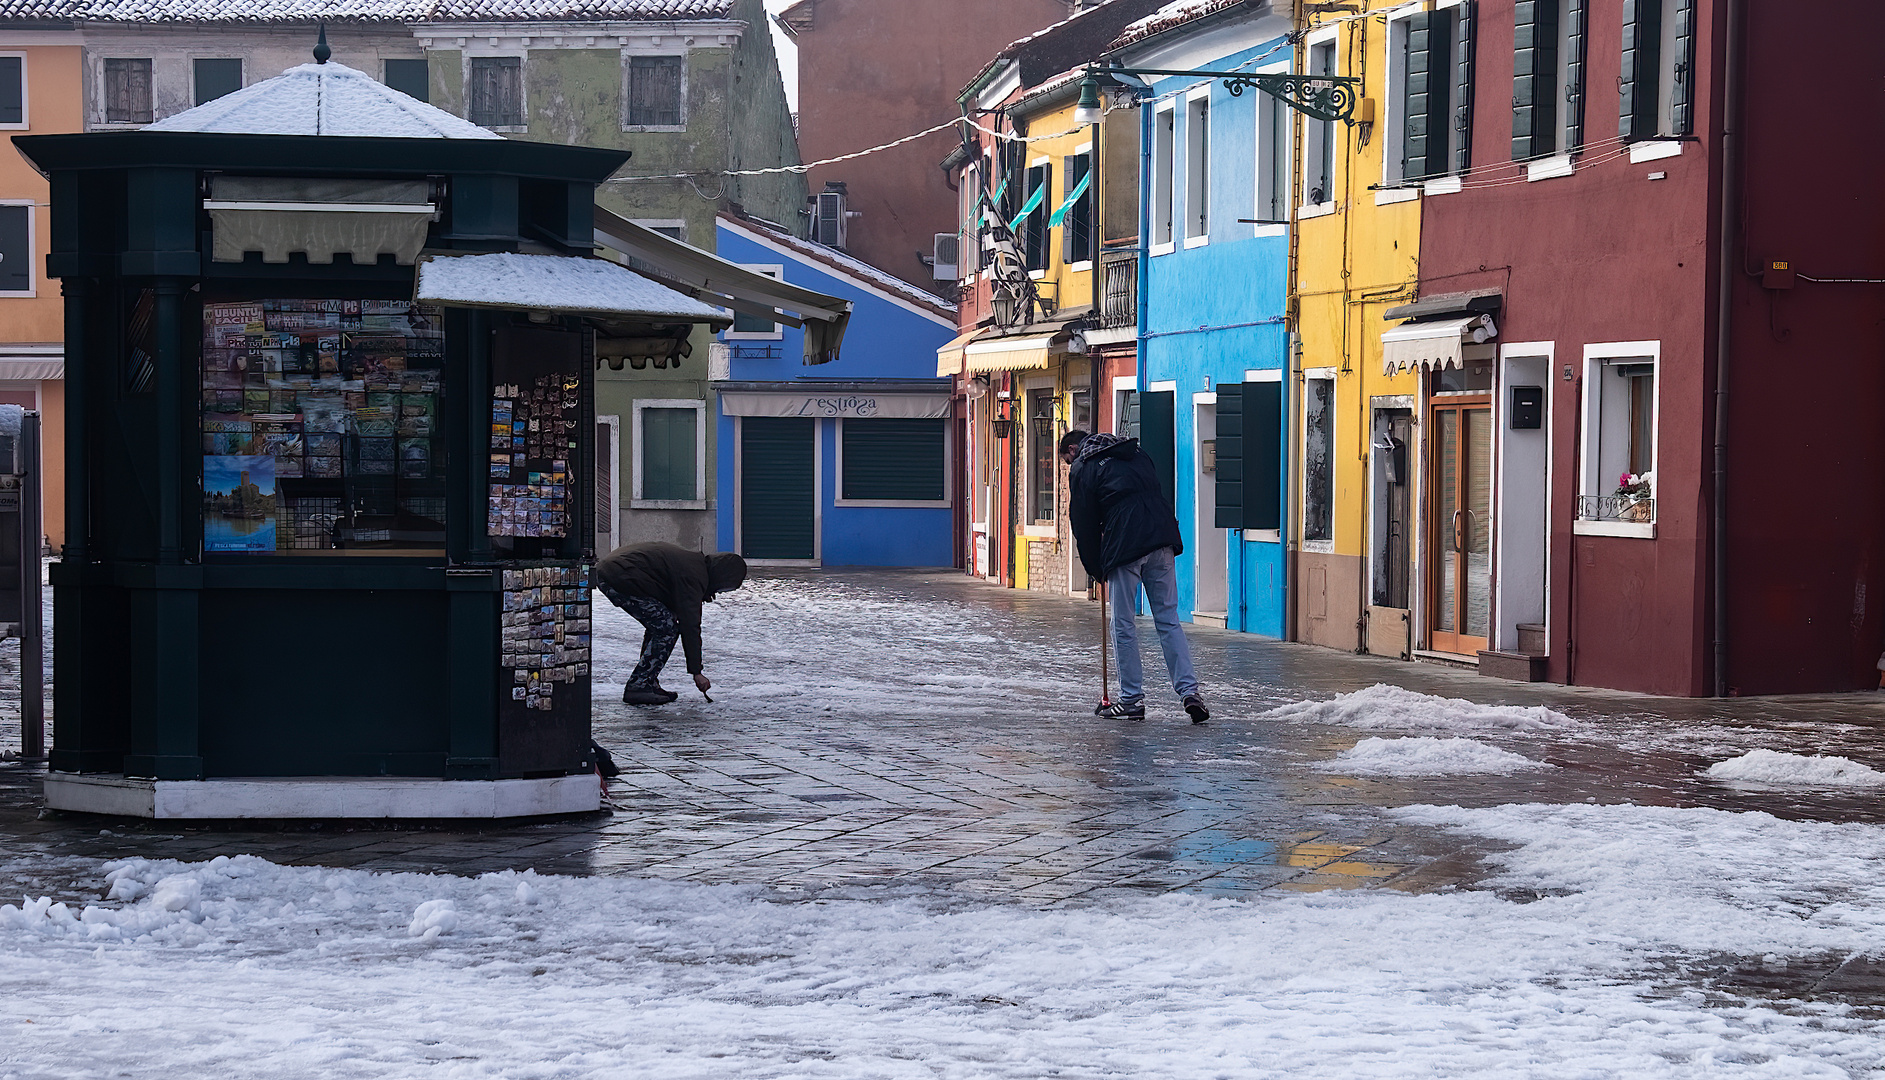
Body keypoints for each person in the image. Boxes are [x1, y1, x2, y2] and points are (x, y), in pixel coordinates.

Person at [1061, 429, 1209, 723]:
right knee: (1168, 620)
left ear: (1074, 449)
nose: (1069, 465)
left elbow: (1083, 523)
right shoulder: (1137, 453)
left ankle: (1131, 699)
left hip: (1125, 542)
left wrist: (1095, 568)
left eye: (1067, 459)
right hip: (1161, 536)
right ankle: (1190, 692)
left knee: (1123, 623)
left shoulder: (1084, 465)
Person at [595, 540, 748, 705]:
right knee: (666, 628)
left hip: (617, 571)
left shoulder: (693, 565)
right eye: (723, 589)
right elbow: (690, 625)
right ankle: (639, 686)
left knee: (660, 624)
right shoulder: (693, 575)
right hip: (619, 576)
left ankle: (647, 681)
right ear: (721, 578)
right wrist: (696, 672)